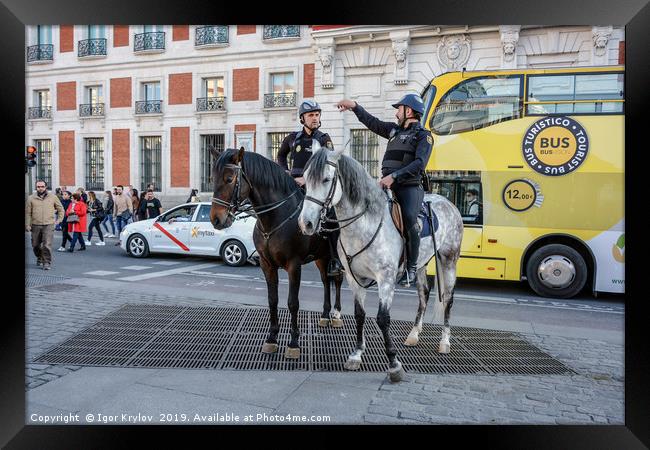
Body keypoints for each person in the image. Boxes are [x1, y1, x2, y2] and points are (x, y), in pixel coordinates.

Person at [336, 94, 433, 286]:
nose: (397, 113)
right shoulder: (393, 131)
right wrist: (355, 106)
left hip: (409, 187)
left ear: (409, 111)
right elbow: (372, 123)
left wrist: (394, 177)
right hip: (384, 185)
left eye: (399, 109)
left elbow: (420, 164)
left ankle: (411, 268)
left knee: (409, 219)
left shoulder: (424, 135)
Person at [276, 100, 343, 277]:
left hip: (314, 188)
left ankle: (335, 260)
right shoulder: (292, 138)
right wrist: (286, 173)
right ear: (302, 118)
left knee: (332, 218)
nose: (315, 118)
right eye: (311, 115)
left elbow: (329, 164)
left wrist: (306, 179)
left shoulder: (324, 139)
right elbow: (281, 156)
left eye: (317, 115)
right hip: (292, 186)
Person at [25, 180, 64, 270]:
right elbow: (27, 213)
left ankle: (46, 262)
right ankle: (39, 257)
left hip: (49, 224)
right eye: (38, 187)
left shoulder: (53, 197)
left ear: (46, 187)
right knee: (35, 245)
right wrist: (27, 225)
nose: (40, 188)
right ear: (36, 187)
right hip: (35, 224)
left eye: (42, 186)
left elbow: (61, 209)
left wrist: (58, 221)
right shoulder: (31, 198)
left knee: (47, 244)